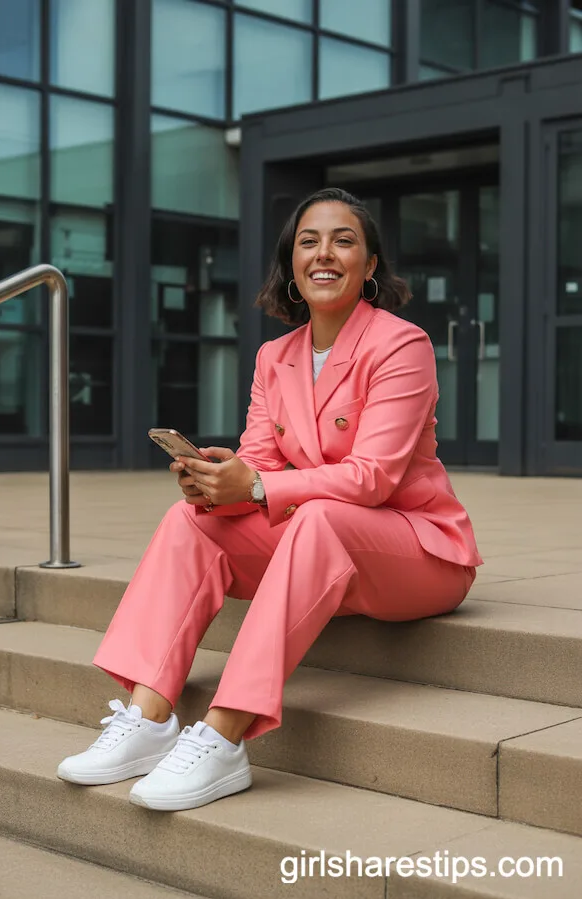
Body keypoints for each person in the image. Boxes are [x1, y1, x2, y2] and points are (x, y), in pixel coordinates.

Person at [57, 187, 482, 811]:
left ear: (369, 265)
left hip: (418, 553)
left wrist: (255, 485)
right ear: (291, 264)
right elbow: (258, 460)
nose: (324, 253)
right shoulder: (274, 356)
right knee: (189, 520)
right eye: (309, 242)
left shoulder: (401, 344)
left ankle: (223, 736)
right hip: (324, 546)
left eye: (343, 241)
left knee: (319, 518)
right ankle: (148, 717)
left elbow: (373, 478)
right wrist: (219, 483)